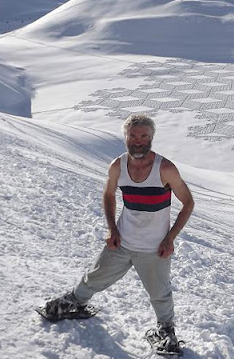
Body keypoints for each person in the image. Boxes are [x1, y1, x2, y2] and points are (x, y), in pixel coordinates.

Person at [43, 114, 194, 352]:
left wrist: (169, 238)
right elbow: (108, 194)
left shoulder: (165, 169)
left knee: (160, 293)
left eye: (143, 136)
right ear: (125, 137)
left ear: (151, 138)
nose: (138, 141)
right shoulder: (118, 166)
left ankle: (166, 331)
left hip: (154, 247)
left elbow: (188, 203)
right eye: (133, 135)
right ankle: (74, 302)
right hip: (123, 240)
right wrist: (112, 228)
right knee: (96, 275)